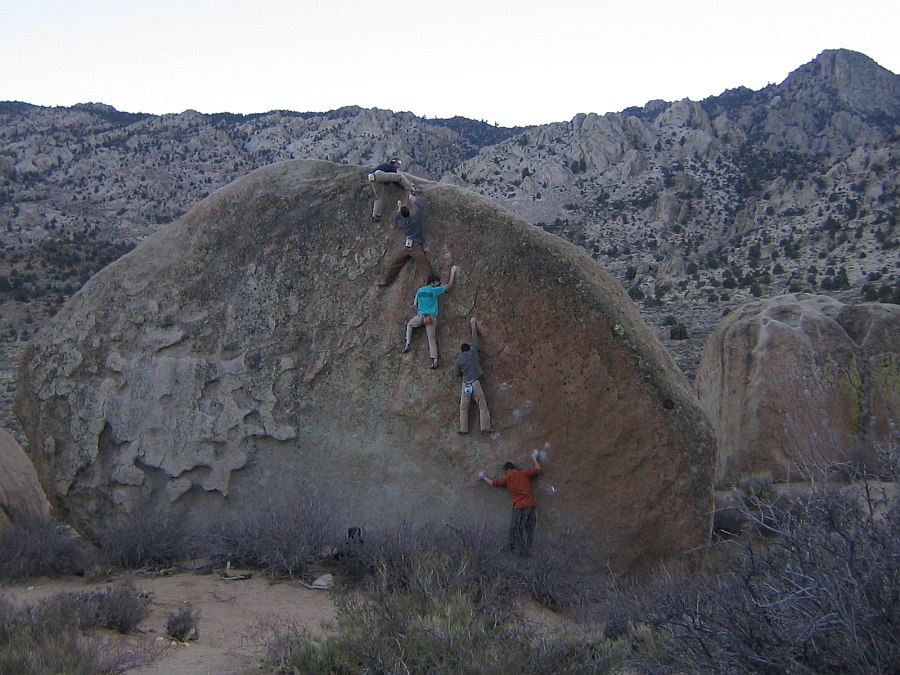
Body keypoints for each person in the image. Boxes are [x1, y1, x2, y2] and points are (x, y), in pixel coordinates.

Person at [481, 450, 542, 556]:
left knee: (514, 528)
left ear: (507, 470)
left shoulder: (508, 477)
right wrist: (534, 458)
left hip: (518, 506)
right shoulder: (524, 473)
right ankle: (527, 551)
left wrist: (483, 477)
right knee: (528, 528)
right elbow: (538, 469)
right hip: (530, 505)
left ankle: (511, 547)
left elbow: (493, 482)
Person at [403, 266, 459, 369]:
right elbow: (450, 285)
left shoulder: (420, 290)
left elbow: (415, 303)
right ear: (433, 283)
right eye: (437, 282)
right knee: (431, 340)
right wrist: (453, 272)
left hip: (421, 316)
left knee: (410, 324)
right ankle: (435, 361)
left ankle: (408, 343)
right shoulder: (434, 290)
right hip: (431, 318)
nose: (438, 284)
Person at [377, 195, 432, 287]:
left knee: (396, 263)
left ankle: (385, 281)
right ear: (409, 212)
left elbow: (397, 217)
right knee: (423, 263)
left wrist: (399, 206)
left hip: (406, 246)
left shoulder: (401, 223)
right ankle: (431, 283)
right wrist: (413, 200)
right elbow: (422, 208)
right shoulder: (414, 219)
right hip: (415, 245)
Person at [456, 317, 494, 434]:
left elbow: (457, 373)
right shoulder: (473, 352)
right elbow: (475, 340)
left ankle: (463, 429)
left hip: (466, 384)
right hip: (475, 383)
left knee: (463, 407)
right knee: (482, 405)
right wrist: (473, 326)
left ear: (462, 351)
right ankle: (485, 427)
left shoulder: (459, 360)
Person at [369, 158, 414, 223]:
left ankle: (375, 217)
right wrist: (404, 188)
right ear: (394, 163)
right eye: (398, 164)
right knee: (399, 176)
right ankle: (411, 188)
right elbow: (396, 181)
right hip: (379, 175)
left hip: (373, 179)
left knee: (378, 198)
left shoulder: (385, 166)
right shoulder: (392, 168)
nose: (398, 166)